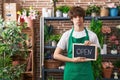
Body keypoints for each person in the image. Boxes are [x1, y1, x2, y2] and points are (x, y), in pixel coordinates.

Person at [53, 6, 100, 80]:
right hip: (70, 73)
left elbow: (96, 56)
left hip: (86, 73)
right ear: (71, 19)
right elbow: (56, 55)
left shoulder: (92, 35)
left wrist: (91, 46)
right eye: (75, 17)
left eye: (80, 16)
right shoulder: (67, 35)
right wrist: (72, 60)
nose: (78, 19)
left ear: (83, 18)